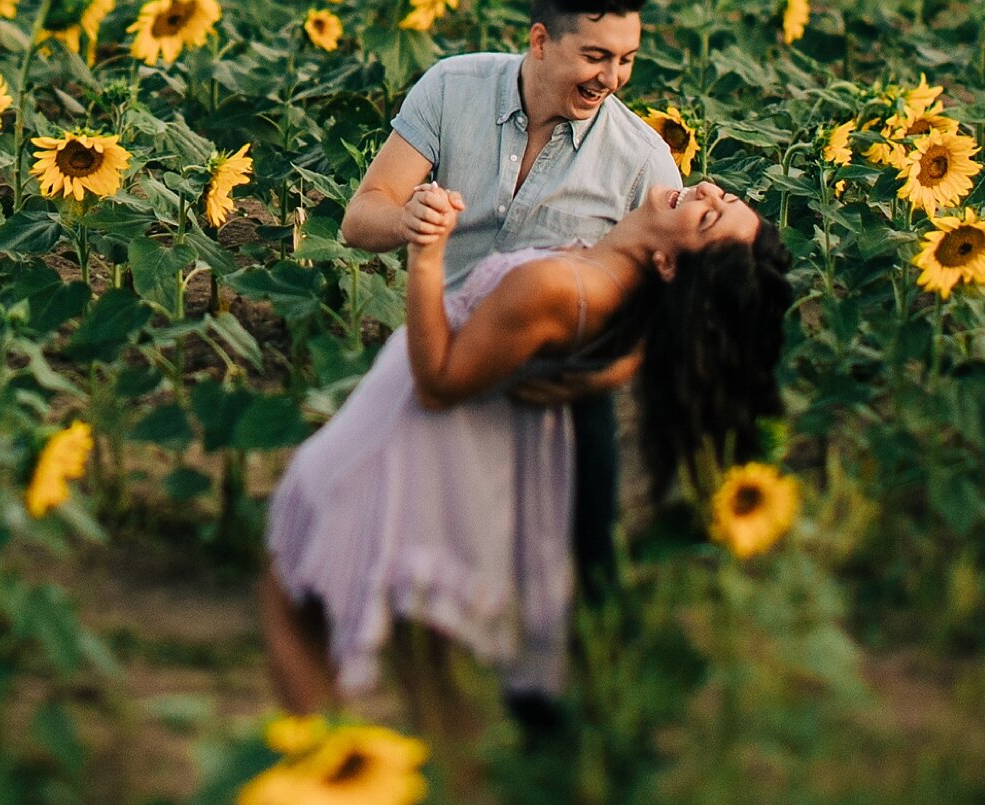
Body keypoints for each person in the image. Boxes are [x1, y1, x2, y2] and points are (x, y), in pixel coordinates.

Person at [260, 179, 790, 712]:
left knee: (295, 608)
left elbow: (438, 383)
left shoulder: (561, 287)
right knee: (428, 672)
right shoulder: (618, 290)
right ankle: (417, 786)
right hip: (456, 463)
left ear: (669, 266)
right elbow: (673, 325)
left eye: (708, 217)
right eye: (724, 197)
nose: (704, 190)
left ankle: (320, 767)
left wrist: (427, 253)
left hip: (403, 444)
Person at [337, 0, 682, 603]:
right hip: (442, 346)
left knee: (587, 535)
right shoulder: (451, 88)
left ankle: (595, 626)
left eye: (626, 58)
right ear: (540, 40)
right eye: (596, 56)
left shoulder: (642, 161)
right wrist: (410, 217)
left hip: (553, 377)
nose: (611, 77)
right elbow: (360, 218)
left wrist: (604, 372)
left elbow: (670, 305)